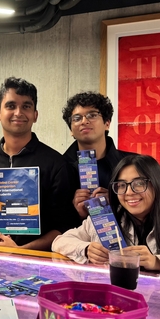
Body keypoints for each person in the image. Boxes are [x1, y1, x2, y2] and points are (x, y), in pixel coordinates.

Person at [52, 154, 160, 279]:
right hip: (116, 302)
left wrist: (158, 261)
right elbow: (60, 241)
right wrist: (85, 249)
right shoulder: (104, 219)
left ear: (156, 185)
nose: (129, 192)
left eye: (138, 184)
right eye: (121, 185)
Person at [0, 77, 77, 250]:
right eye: (11, 106)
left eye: (26, 106)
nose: (18, 112)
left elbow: (64, 227)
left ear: (35, 115)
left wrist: (20, 252)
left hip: (35, 262)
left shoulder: (56, 164)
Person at [62, 92, 135, 223]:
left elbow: (155, 212)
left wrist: (117, 204)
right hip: (78, 241)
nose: (84, 121)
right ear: (71, 131)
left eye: (92, 115)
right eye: (77, 118)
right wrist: (77, 214)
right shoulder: (59, 168)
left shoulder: (133, 165)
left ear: (107, 123)